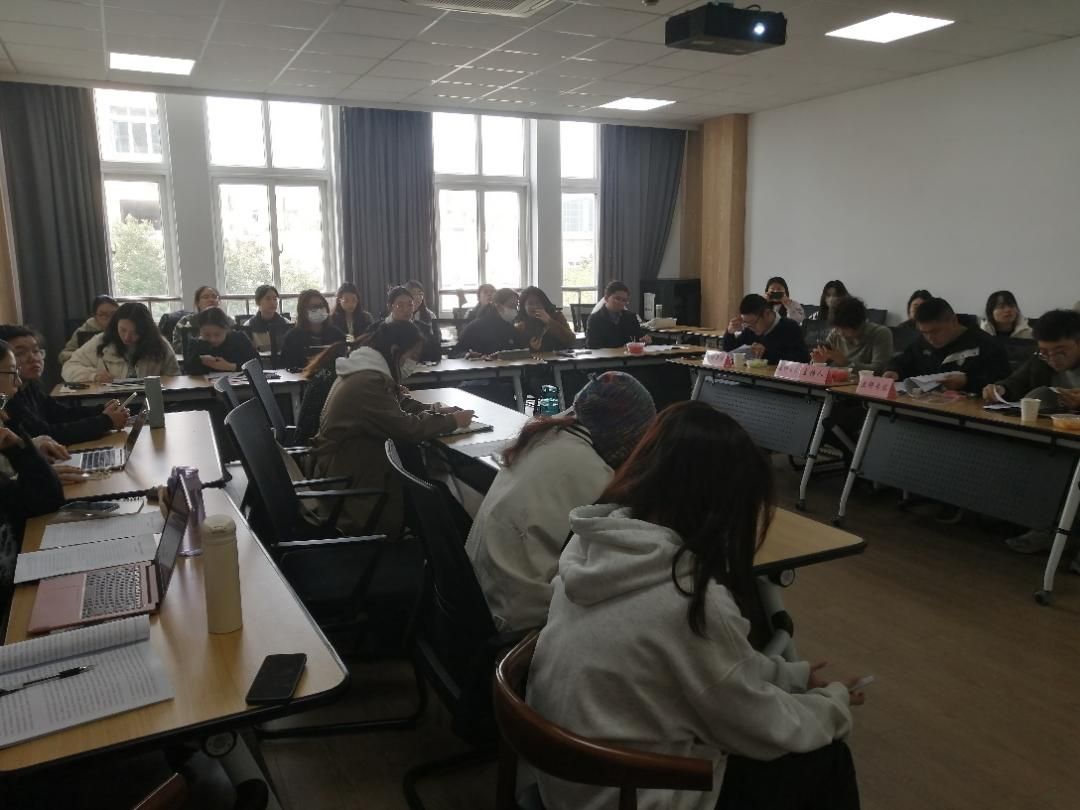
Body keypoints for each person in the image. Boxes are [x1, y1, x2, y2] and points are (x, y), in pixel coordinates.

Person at [526, 401, 864, 810]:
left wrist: (791, 676)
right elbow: (760, 727)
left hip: (569, 785)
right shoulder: (687, 600)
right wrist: (833, 704)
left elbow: (713, 672)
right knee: (826, 759)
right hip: (629, 795)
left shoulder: (592, 548)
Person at [466, 371, 656, 633]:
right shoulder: (594, 474)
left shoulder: (545, 437)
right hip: (520, 620)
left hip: (480, 597)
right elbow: (613, 564)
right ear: (625, 438)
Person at [311, 320, 472, 536]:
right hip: (352, 481)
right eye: (412, 355)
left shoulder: (366, 370)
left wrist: (434, 410)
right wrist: (452, 421)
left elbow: (395, 406)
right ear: (396, 350)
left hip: (354, 464)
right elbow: (407, 429)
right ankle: (465, 549)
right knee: (431, 495)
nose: (413, 362)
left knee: (428, 487)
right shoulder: (367, 381)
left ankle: (458, 545)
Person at [0, 340, 66, 630]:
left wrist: (16, 443)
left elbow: (46, 500)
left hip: (19, 582)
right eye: (11, 373)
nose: (17, 385)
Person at [0, 325, 127, 445]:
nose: (33, 358)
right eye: (20, 353)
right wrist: (106, 421)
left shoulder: (29, 386)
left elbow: (61, 413)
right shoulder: (7, 398)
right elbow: (47, 434)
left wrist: (102, 410)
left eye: (36, 350)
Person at [884, 297, 1010, 394]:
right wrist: (893, 370)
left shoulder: (986, 345)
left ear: (954, 321)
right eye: (924, 332)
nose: (930, 338)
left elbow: (1002, 383)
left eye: (935, 331)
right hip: (925, 407)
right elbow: (903, 361)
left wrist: (967, 382)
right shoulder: (922, 343)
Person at [61, 302, 180, 383]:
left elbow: (174, 378)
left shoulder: (160, 344)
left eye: (135, 332)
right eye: (122, 330)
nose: (127, 337)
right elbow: (68, 368)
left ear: (146, 331)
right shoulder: (101, 341)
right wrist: (93, 376)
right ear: (115, 325)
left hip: (148, 402)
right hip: (108, 404)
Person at [810, 297, 893, 374]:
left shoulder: (880, 334)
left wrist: (846, 363)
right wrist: (818, 363)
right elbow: (823, 364)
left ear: (860, 324)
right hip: (838, 382)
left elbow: (879, 370)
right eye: (837, 328)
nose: (840, 333)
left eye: (845, 329)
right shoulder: (835, 334)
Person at [722, 294, 810, 363]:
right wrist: (730, 332)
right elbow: (730, 350)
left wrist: (766, 353)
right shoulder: (750, 328)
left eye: (753, 323)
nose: (750, 327)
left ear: (766, 313)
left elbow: (803, 359)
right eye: (746, 323)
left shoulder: (790, 327)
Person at [280, 290, 346, 370]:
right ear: (303, 311)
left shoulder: (337, 334)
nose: (319, 309)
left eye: (321, 306)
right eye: (313, 307)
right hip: (301, 376)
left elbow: (344, 362)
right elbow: (286, 366)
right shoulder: (292, 337)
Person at [182, 307, 259, 376]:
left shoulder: (239, 338)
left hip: (238, 385)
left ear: (226, 329)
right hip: (205, 385)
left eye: (217, 334)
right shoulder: (196, 344)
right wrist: (199, 360)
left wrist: (230, 366)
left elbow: (257, 365)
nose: (212, 339)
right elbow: (188, 371)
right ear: (200, 331)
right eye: (206, 335)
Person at [453, 288, 522, 357]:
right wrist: (467, 355)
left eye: (516, 306)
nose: (515, 310)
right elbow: (456, 352)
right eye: (512, 306)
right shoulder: (477, 326)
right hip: (481, 363)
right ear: (498, 306)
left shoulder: (510, 327)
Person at [586, 281, 649, 349]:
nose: (621, 303)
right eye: (617, 299)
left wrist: (645, 340)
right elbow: (593, 346)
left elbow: (639, 337)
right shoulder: (595, 319)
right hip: (606, 355)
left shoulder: (631, 317)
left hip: (629, 355)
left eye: (624, 300)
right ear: (606, 298)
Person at [240, 284, 292, 366]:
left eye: (275, 299)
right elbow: (248, 354)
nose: (272, 302)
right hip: (260, 366)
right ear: (258, 302)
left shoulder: (286, 323)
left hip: (284, 366)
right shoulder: (248, 326)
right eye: (268, 299)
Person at [171, 286, 232, 356]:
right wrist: (200, 345)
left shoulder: (228, 321)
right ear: (197, 303)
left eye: (214, 297)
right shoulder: (186, 321)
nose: (211, 300)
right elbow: (176, 346)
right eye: (206, 297)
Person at [58, 294, 117, 365]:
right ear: (95, 316)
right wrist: (84, 355)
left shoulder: (123, 329)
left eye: (114, 314)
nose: (110, 318)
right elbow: (63, 355)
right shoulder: (83, 331)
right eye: (103, 315)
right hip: (88, 368)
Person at [517, 286, 576, 352]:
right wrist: (531, 347)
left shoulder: (556, 316)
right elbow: (518, 349)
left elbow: (571, 341)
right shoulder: (520, 323)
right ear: (524, 307)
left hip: (558, 356)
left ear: (544, 304)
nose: (535, 306)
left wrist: (549, 321)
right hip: (536, 358)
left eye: (538, 303)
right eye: (530, 303)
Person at [405, 280, 443, 362]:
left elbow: (437, 339)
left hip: (426, 357)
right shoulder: (401, 314)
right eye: (414, 293)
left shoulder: (430, 315)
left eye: (420, 294)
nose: (418, 297)